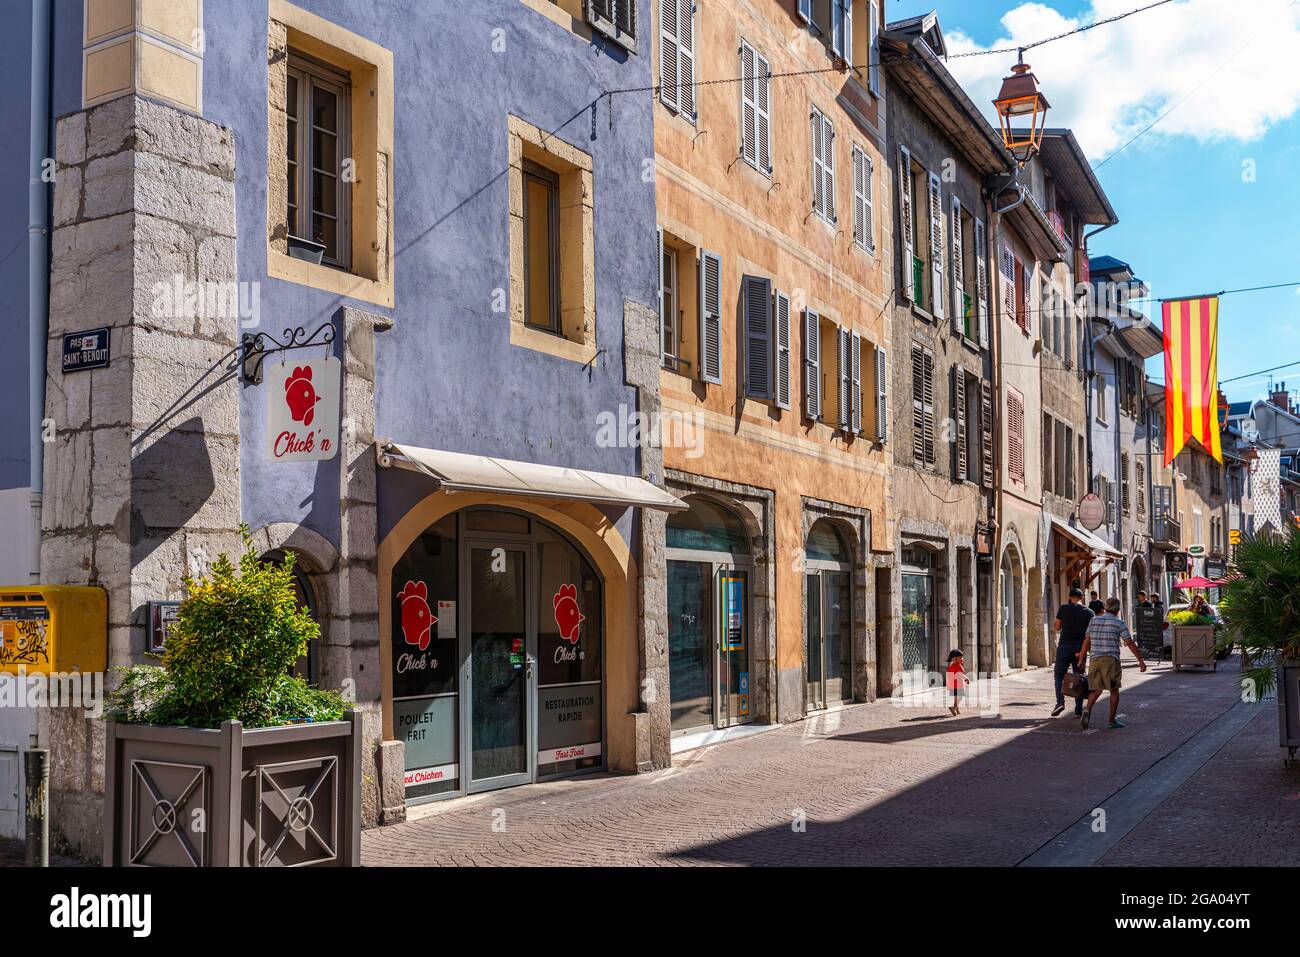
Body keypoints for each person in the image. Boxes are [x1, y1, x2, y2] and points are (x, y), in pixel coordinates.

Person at [1077, 596, 1147, 730]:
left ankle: (1087, 710)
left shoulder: (1094, 620)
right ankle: (1111, 720)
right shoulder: (1118, 623)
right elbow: (1129, 642)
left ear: (1106, 608)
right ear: (1117, 610)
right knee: (1114, 690)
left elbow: (1087, 640)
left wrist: (1081, 659)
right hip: (1110, 660)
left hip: (1094, 659)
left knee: (1096, 689)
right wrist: (1140, 661)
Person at [1052, 588, 1093, 717]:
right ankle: (1078, 708)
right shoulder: (1089, 612)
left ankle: (1060, 702)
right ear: (1082, 598)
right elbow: (1090, 634)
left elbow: (1057, 627)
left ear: (1070, 597)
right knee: (1079, 677)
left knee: (1059, 675)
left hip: (1064, 646)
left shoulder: (1064, 608)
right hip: (1080, 648)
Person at [946, 649, 968, 716]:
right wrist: (966, 679)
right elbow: (961, 675)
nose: (962, 658)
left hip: (953, 685)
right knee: (960, 697)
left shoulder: (951, 666)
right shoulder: (958, 666)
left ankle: (957, 709)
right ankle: (954, 707)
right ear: (955, 658)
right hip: (958, 685)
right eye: (960, 657)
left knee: (956, 697)